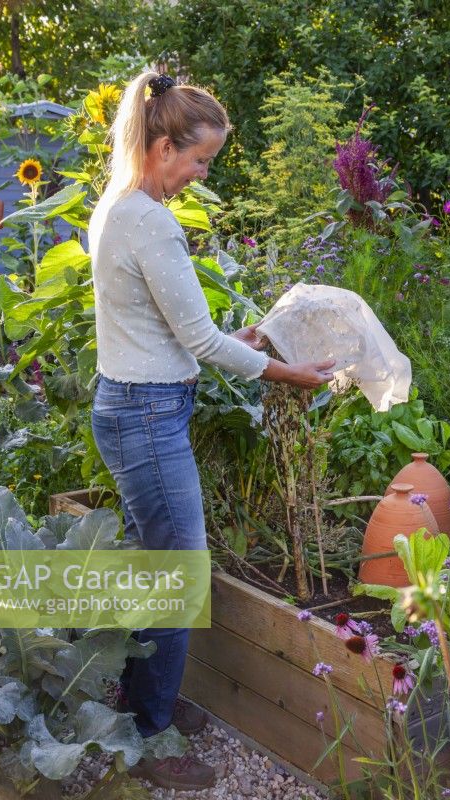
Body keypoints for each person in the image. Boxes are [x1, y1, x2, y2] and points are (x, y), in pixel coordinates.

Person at [88, 70, 335, 791]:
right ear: (163, 146)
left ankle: (140, 699)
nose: (200, 175)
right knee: (177, 573)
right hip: (147, 417)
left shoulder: (119, 205)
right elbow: (196, 343)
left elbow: (166, 330)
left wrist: (244, 337)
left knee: (153, 561)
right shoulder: (150, 220)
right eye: (199, 160)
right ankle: (150, 737)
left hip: (129, 406)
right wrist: (290, 374)